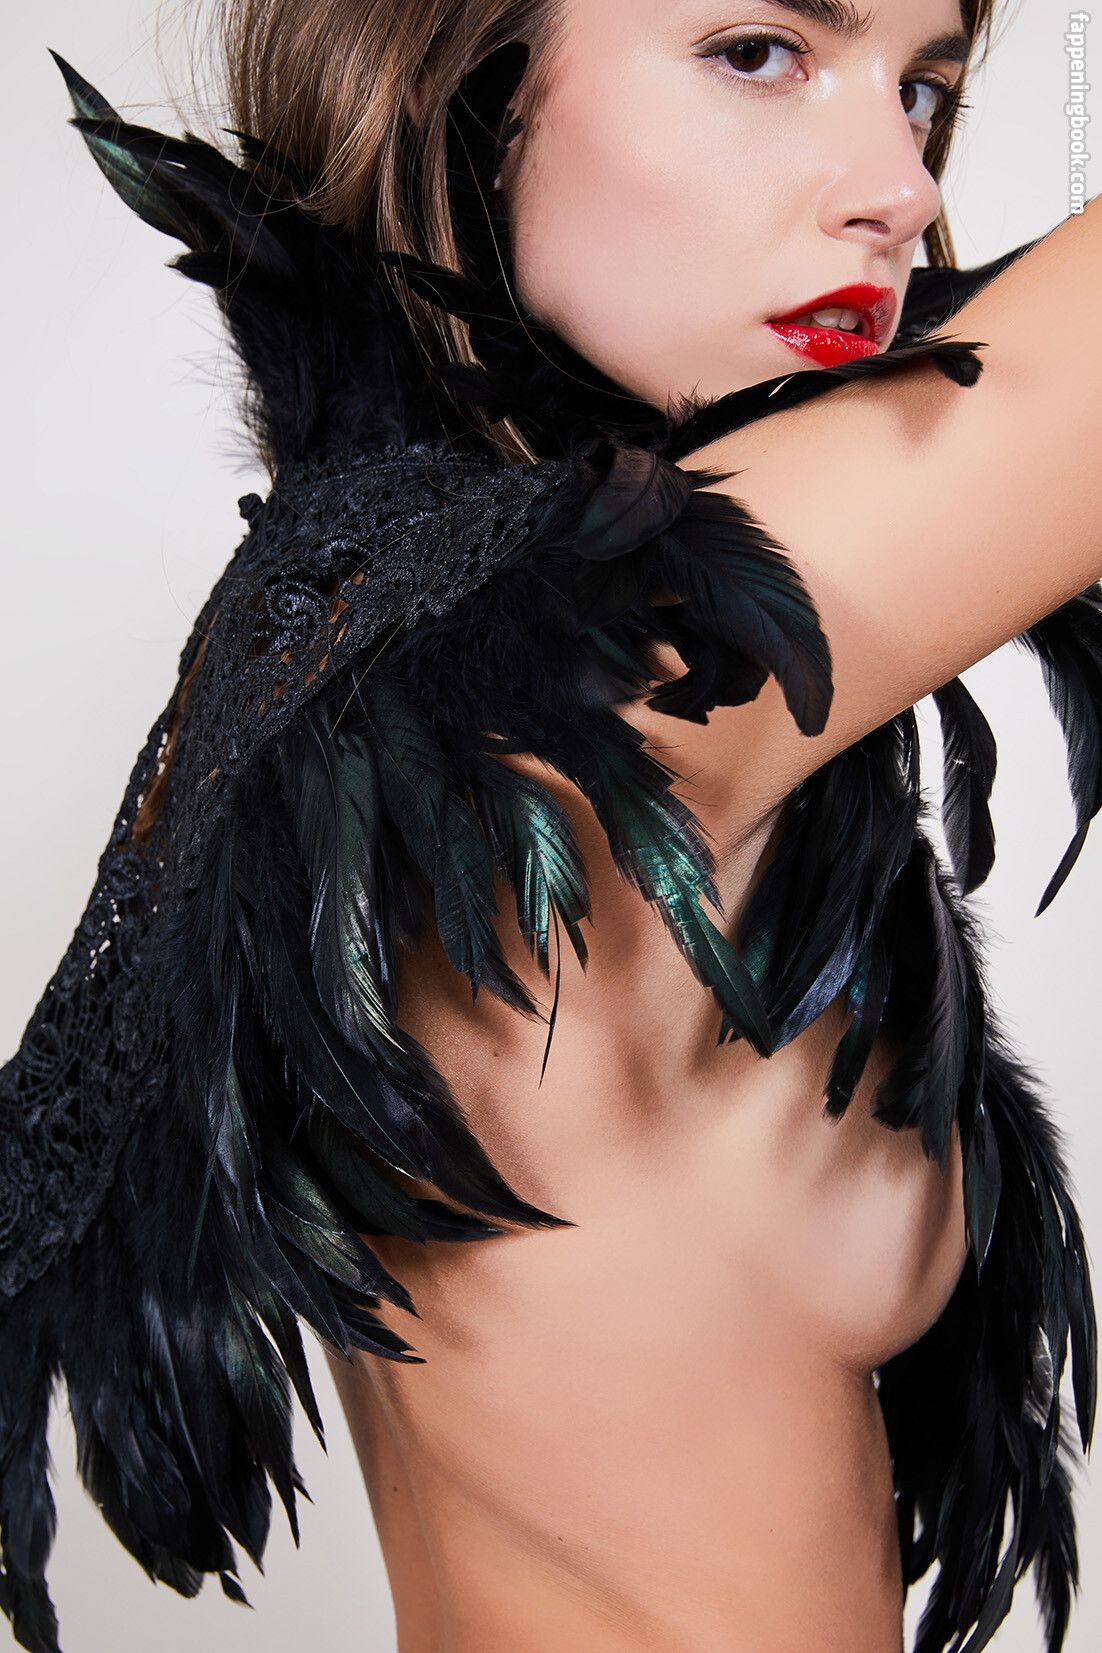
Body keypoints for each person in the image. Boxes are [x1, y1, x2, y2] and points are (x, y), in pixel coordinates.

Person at [0, 2, 1098, 1651]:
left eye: (925, 86)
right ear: (472, 90)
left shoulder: (336, 632)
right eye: (759, 51)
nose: (898, 186)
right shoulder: (583, 677)